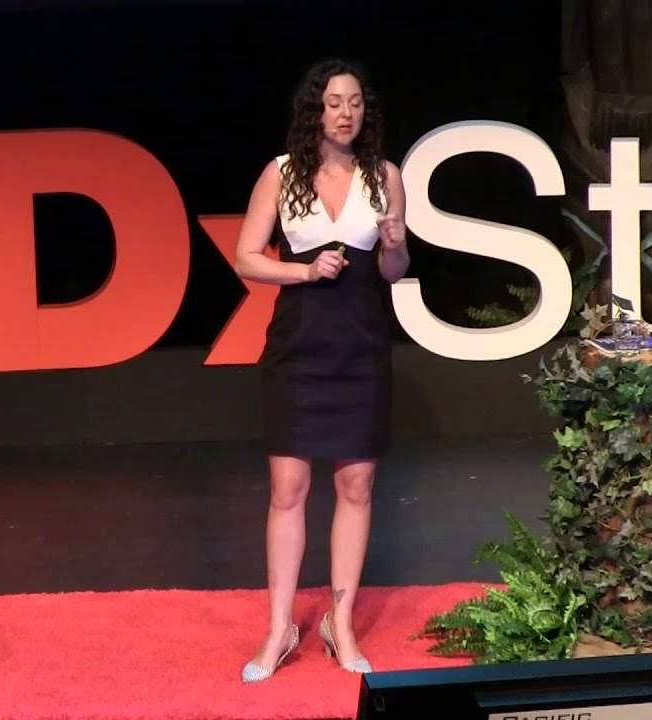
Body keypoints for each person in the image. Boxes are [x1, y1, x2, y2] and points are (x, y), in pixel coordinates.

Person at [234, 58, 409, 683]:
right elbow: (246, 258)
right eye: (334, 102)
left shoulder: (385, 175)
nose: (345, 113)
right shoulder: (282, 174)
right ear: (316, 109)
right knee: (288, 489)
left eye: (355, 102)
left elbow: (393, 272)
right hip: (299, 348)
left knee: (356, 485)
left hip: (361, 347)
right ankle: (279, 629)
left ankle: (342, 623)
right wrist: (304, 270)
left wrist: (395, 244)